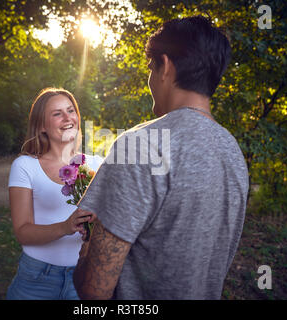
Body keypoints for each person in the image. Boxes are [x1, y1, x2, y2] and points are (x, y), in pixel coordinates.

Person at [73, 16, 249, 299]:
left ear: (165, 66)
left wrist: (85, 252)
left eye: (150, 68)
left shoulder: (139, 145)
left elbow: (94, 292)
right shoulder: (234, 154)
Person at [6, 87, 103, 300]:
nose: (68, 118)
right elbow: (22, 232)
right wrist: (65, 227)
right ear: (42, 126)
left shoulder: (97, 164)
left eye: (71, 110)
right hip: (37, 279)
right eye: (57, 113)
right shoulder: (25, 166)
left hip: (84, 276)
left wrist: (95, 229)